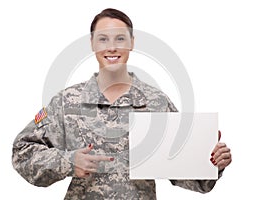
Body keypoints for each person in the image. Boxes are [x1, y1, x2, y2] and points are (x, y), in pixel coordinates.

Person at [12, 8, 232, 199]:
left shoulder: (156, 102)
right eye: (103, 39)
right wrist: (67, 161)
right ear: (92, 44)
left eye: (120, 39)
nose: (112, 47)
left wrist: (212, 163)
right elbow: (22, 152)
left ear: (132, 43)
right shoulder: (66, 102)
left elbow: (181, 170)